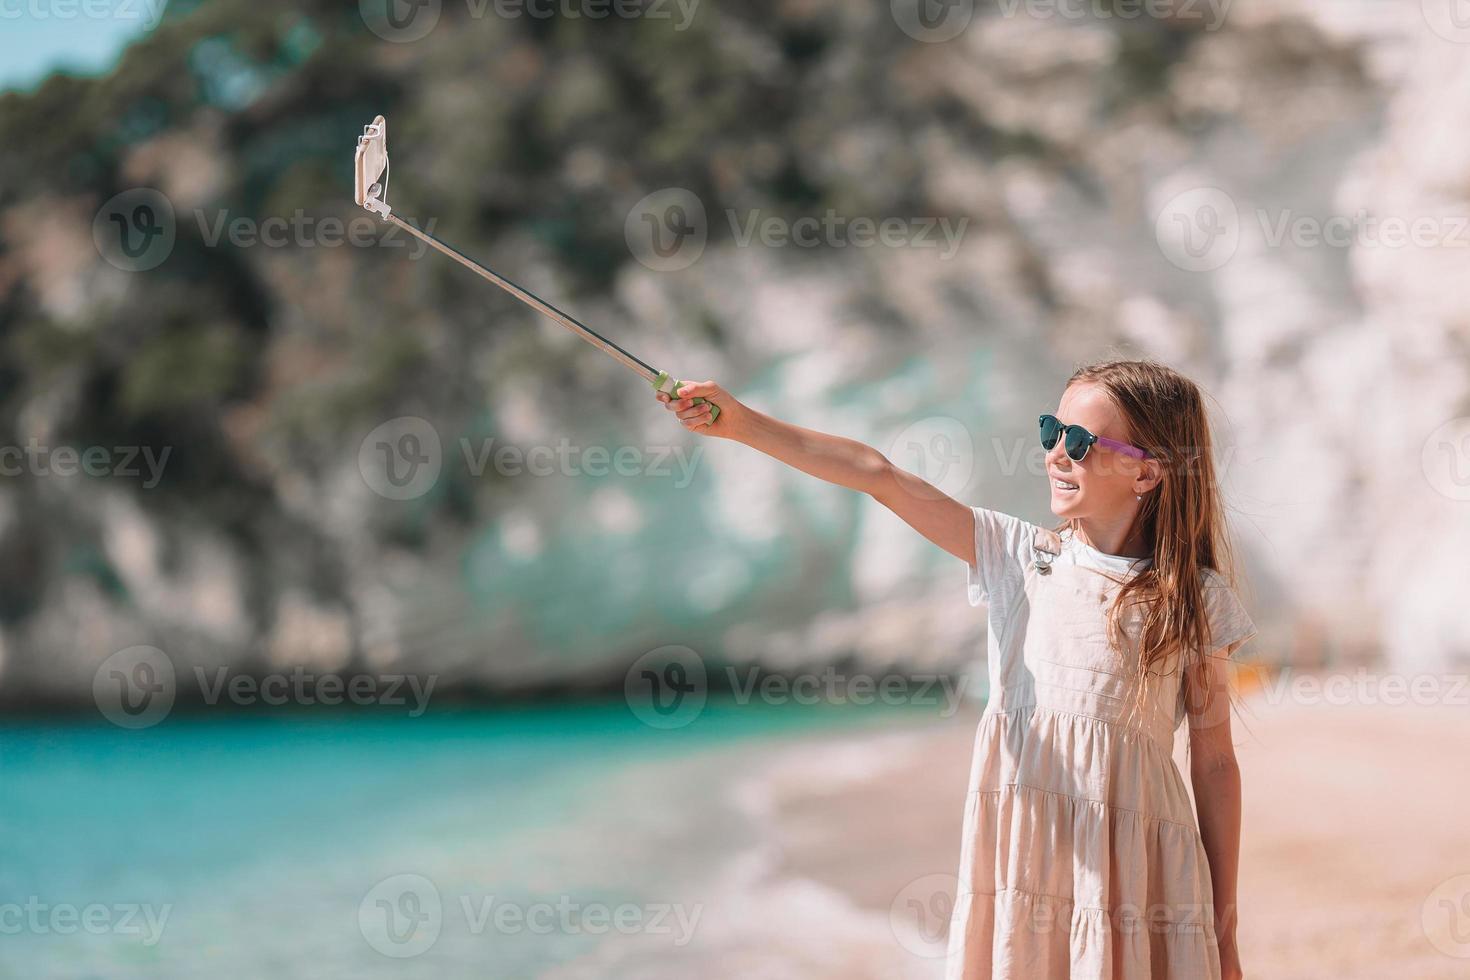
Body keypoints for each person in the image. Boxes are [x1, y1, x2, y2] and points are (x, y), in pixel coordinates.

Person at [656, 357, 1256, 980]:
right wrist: (743, 424)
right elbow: (877, 475)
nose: (1055, 453)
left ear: (1147, 471)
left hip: (1139, 871)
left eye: (1078, 442)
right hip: (1025, 862)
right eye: (1051, 431)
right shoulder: (1019, 557)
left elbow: (1214, 762)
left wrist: (1224, 927)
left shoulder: (1195, 600)